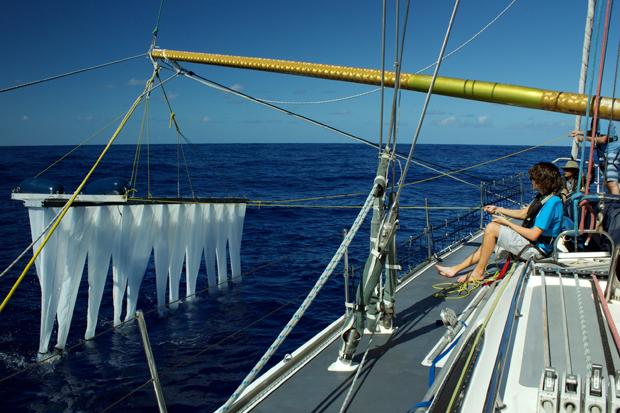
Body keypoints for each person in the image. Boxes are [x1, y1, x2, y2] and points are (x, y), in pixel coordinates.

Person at [436, 162, 564, 283]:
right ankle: (455, 269)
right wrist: (498, 209)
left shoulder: (552, 203)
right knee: (489, 239)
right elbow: (524, 213)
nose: (531, 180)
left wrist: (507, 223)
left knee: (492, 228)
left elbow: (534, 235)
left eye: (533, 178)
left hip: (537, 250)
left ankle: (478, 273)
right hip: (533, 243)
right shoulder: (544, 197)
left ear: (542, 181)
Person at [570, 123, 619, 194]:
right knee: (608, 182)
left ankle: (616, 204)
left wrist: (584, 138)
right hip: (603, 153)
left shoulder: (603, 117)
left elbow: (603, 139)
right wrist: (580, 132)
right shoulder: (597, 118)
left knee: (612, 182)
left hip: (611, 152)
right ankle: (612, 201)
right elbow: (594, 132)